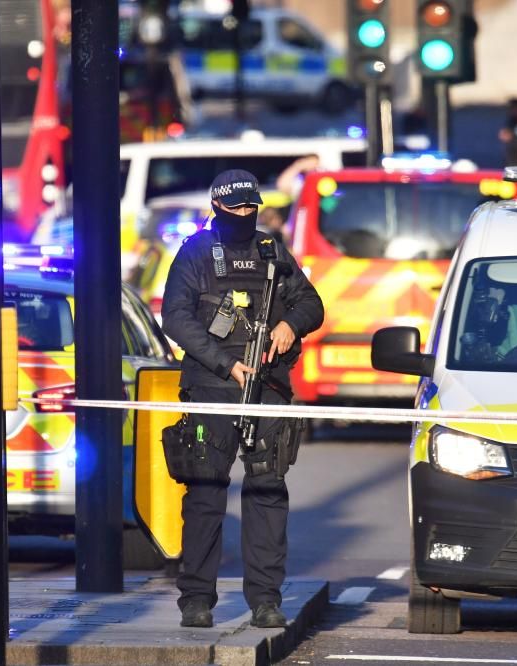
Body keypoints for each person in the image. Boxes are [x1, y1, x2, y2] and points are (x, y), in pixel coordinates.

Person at [161, 169, 324, 629]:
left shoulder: (272, 250)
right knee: (206, 495)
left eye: (251, 207)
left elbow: (312, 303)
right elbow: (175, 317)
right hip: (213, 389)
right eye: (235, 209)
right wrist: (223, 362)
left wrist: (291, 323)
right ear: (217, 207)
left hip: (267, 390)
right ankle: (196, 600)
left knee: (268, 490)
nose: (245, 215)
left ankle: (266, 600)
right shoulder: (195, 253)